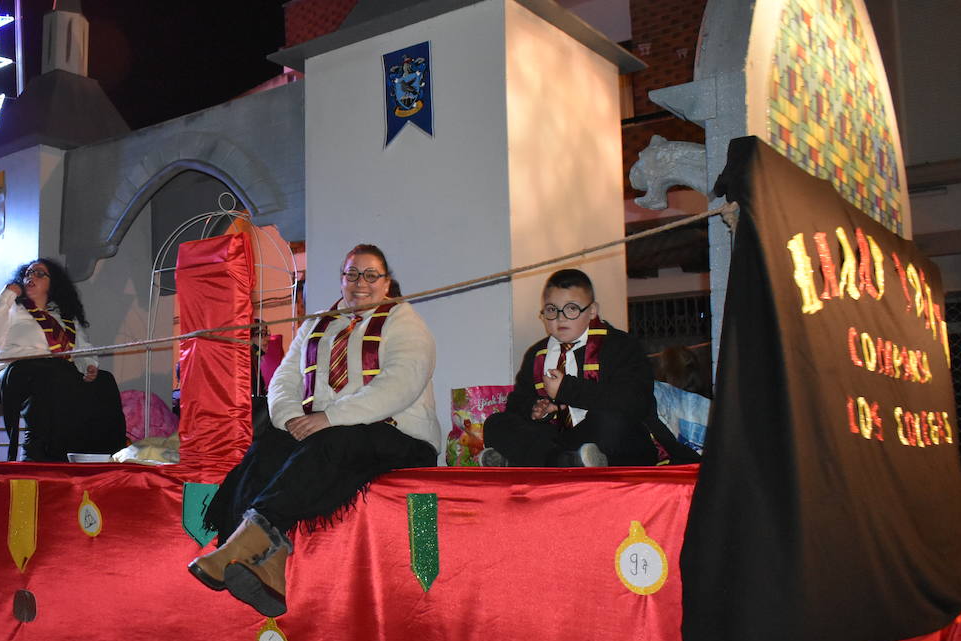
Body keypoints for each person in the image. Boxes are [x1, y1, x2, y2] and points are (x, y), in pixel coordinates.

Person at [190, 244, 440, 617]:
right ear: (341, 279)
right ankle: (266, 568)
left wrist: (329, 418)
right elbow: (283, 380)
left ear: (386, 282)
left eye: (371, 275)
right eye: (352, 274)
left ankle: (242, 546)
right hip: (330, 433)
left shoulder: (405, 322)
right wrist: (291, 419)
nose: (361, 283)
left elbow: (399, 385)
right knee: (269, 445)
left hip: (399, 435)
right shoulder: (316, 324)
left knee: (338, 440)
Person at [480, 268, 696, 468]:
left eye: (571, 309)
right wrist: (537, 409)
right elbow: (516, 404)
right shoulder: (537, 354)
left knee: (611, 423)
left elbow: (634, 403)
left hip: (610, 438)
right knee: (496, 423)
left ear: (592, 310)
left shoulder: (621, 345)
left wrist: (567, 389)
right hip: (559, 440)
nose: (560, 318)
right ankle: (563, 461)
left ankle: (530, 460)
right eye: (551, 310)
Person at [0, 257, 126, 461]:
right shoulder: (12, 309)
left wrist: (90, 366)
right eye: (28, 273)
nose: (31, 277)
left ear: (52, 284)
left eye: (39, 273)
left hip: (50, 374)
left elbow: (83, 349)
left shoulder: (65, 319)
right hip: (5, 374)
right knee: (48, 372)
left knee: (104, 381)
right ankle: (35, 453)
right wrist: (7, 295)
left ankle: (102, 453)